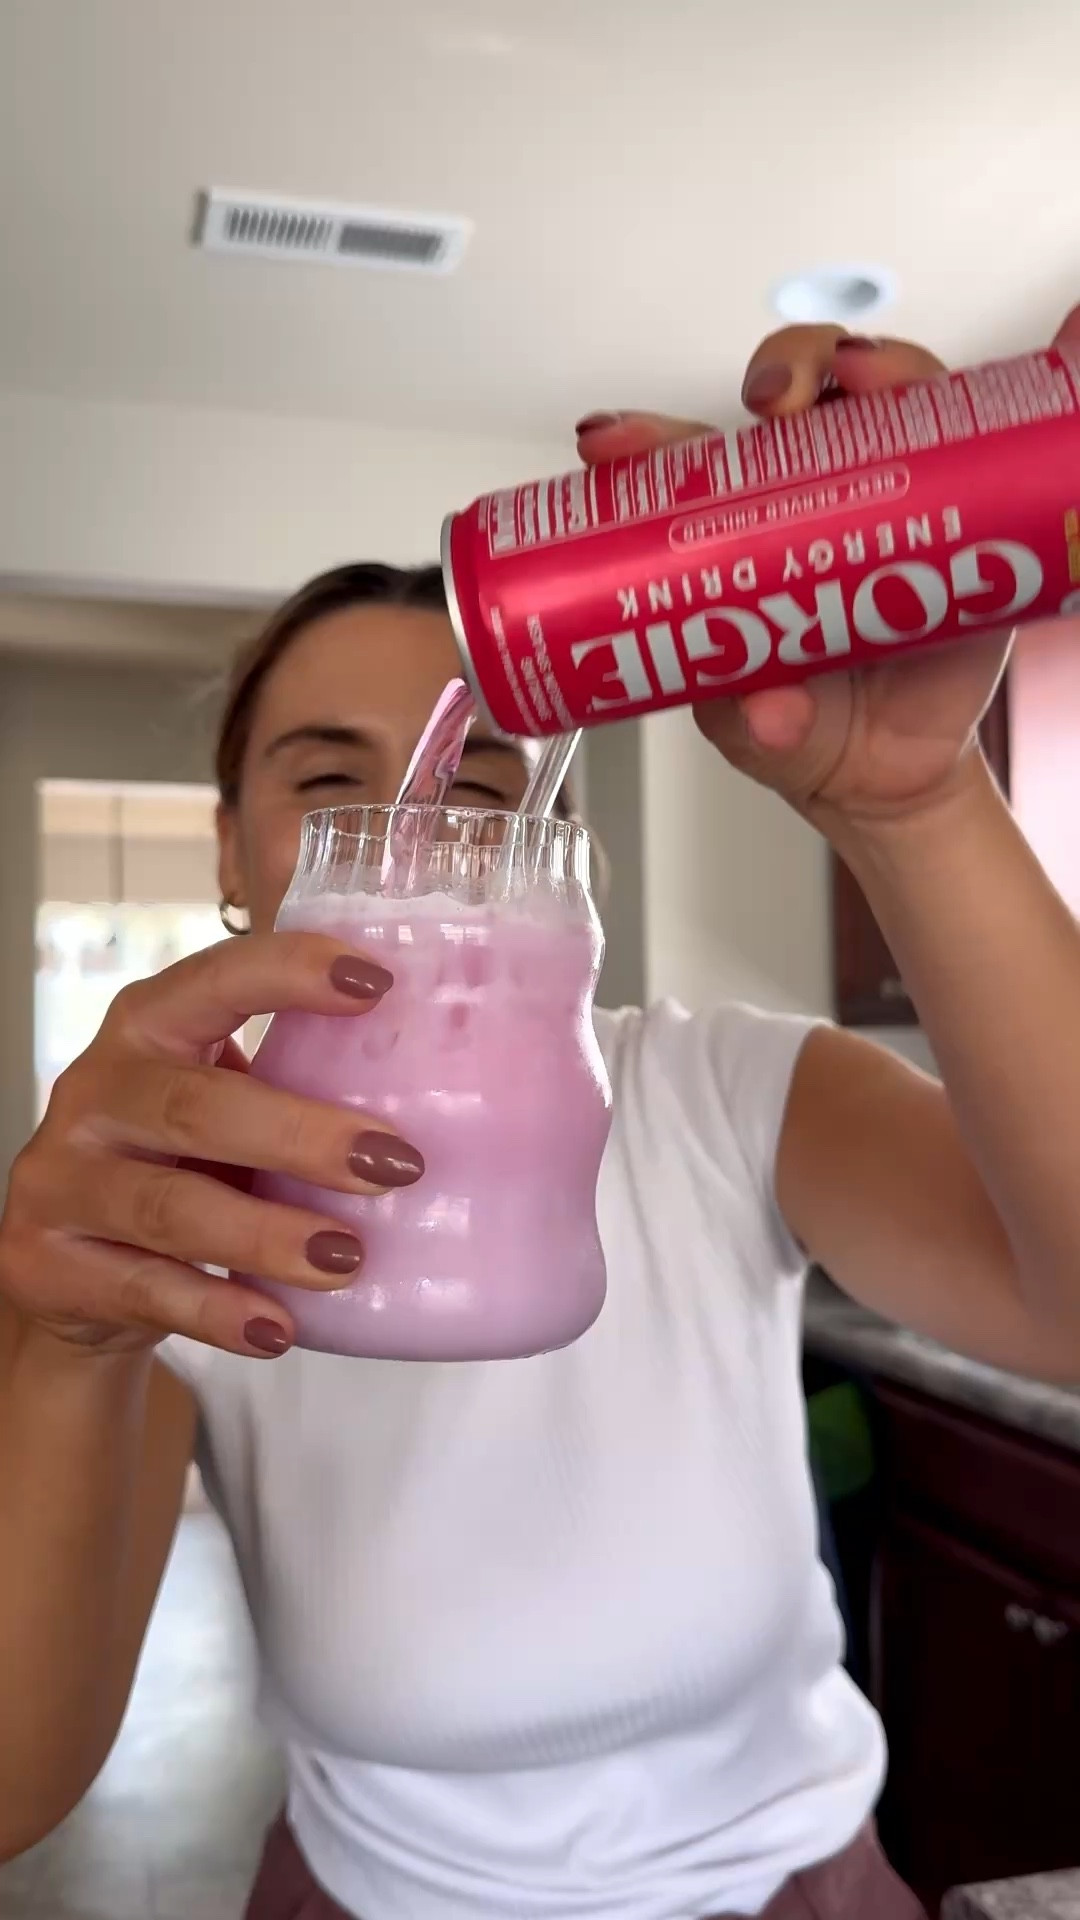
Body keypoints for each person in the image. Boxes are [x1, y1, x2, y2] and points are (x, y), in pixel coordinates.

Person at [3, 318, 1080, 1920]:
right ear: (231, 850)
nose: (413, 840)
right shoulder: (178, 1206)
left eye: (478, 792)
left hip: (787, 1883)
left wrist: (917, 806)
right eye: (330, 788)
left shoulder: (721, 1094)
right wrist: (63, 1341)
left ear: (558, 855)